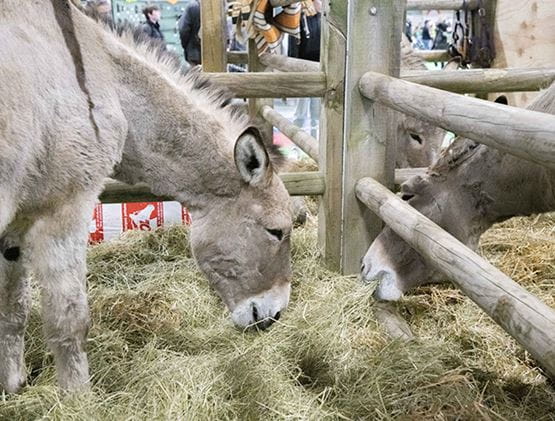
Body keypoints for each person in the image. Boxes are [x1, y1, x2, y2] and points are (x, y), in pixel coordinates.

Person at [288, 0, 321, 137]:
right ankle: (297, 141)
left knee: (317, 112)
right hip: (302, 69)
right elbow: (293, 45)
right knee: (300, 111)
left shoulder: (324, 19)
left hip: (319, 68)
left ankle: (315, 142)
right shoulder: (298, 16)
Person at [178, 0, 201, 66]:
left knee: (196, 75)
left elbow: (183, 29)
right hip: (213, 54)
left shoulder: (192, 6)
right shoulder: (217, 6)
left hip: (194, 53)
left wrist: (186, 46)